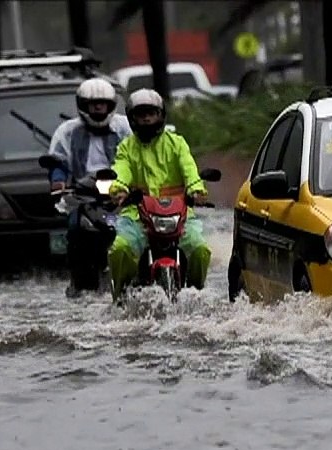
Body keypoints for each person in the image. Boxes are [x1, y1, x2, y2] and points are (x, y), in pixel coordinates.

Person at [106, 88, 211, 297]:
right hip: (136, 216)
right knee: (120, 250)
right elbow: (121, 170)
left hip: (178, 216)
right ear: (132, 118)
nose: (146, 119)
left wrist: (197, 190)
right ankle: (119, 296)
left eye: (151, 113)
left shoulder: (177, 143)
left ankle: (197, 293)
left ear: (161, 115)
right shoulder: (126, 147)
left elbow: (189, 168)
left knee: (200, 250)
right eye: (141, 114)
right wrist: (118, 190)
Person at [46, 77, 132, 296]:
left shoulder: (125, 127)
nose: (98, 108)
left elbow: (140, 155)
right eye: (93, 104)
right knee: (75, 228)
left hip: (121, 193)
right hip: (85, 195)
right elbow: (58, 162)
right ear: (82, 105)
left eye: (102, 104)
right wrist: (58, 180)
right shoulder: (67, 132)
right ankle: (79, 281)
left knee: (140, 226)